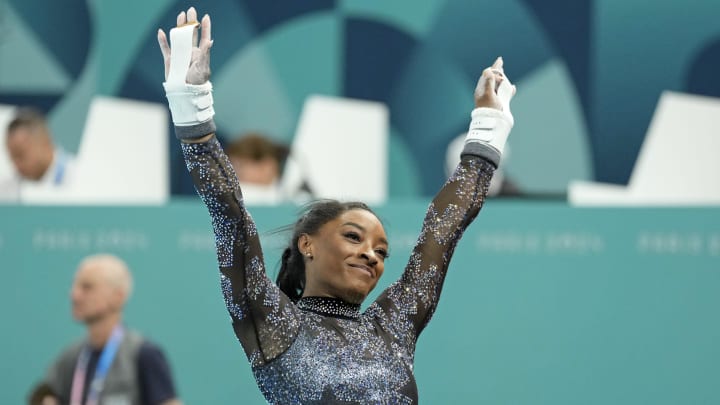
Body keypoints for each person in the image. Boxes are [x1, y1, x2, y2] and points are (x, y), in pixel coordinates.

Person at [157, 7, 516, 403]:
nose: (371, 256)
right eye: (353, 237)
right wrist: (192, 108)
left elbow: (441, 234)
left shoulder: (392, 327)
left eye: (381, 251)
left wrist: (488, 126)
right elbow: (230, 216)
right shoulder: (275, 323)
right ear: (307, 243)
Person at [28, 254, 182, 405]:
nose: (74, 295)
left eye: (87, 287)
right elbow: (43, 395)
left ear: (118, 296)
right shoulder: (69, 358)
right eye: (74, 286)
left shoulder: (143, 355)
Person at [0, 108, 76, 201]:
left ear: (45, 143)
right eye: (12, 158)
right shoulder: (7, 189)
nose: (16, 165)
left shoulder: (82, 179)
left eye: (20, 155)